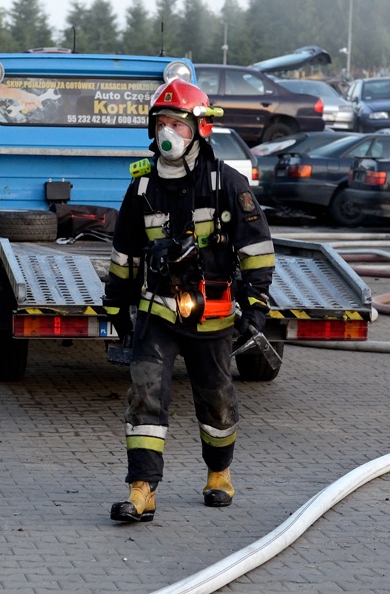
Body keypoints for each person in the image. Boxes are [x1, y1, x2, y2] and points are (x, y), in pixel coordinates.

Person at [103, 79, 275, 523]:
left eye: (177, 124)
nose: (168, 133)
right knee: (145, 395)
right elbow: (123, 254)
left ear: (199, 129)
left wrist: (256, 306)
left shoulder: (227, 184)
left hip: (213, 315)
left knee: (216, 398)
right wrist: (117, 308)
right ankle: (142, 488)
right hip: (158, 312)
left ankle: (219, 473)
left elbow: (255, 248)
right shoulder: (142, 189)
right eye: (162, 123)